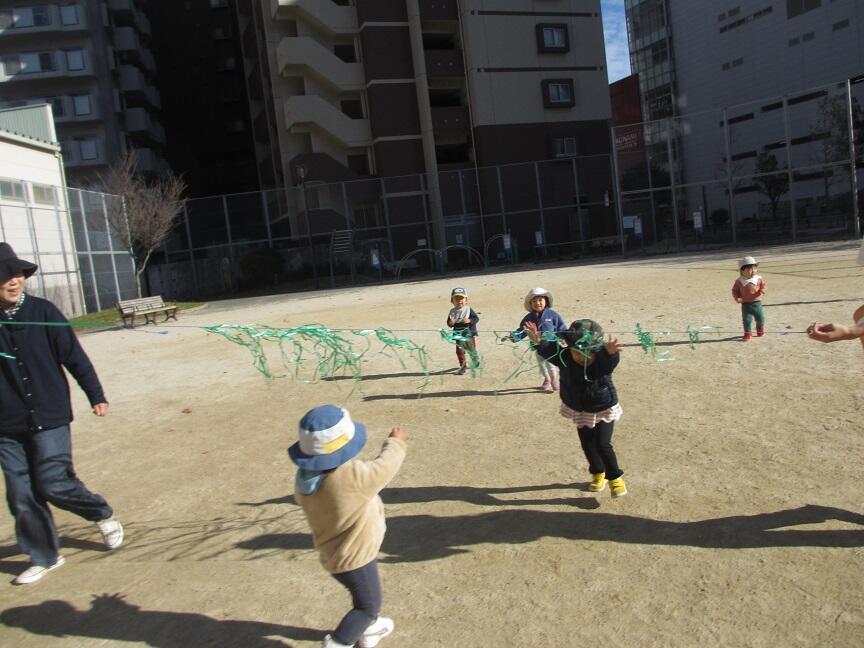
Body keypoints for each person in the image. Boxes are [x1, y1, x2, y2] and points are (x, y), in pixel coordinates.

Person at [0, 242, 123, 586]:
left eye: (17, 275)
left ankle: (101, 513)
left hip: (49, 414)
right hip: (6, 424)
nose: (13, 281)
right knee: (21, 494)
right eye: (5, 276)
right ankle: (45, 555)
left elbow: (74, 357)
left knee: (53, 480)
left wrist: (95, 394)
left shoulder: (44, 312)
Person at [289, 404, 407, 648]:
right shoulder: (352, 478)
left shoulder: (305, 481)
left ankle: (369, 630)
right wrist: (395, 442)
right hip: (355, 559)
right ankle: (339, 642)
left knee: (362, 596)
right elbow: (385, 467)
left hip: (334, 554)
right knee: (367, 606)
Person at [525, 318, 628, 498]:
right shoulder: (564, 357)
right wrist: (538, 341)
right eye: (576, 352)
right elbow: (549, 350)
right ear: (569, 348)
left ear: (596, 351)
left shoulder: (600, 362)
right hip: (581, 410)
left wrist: (611, 354)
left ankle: (615, 478)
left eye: (587, 353)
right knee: (587, 445)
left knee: (602, 444)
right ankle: (598, 473)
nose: (581, 357)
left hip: (603, 408)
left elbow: (608, 364)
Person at [513, 287, 567, 391]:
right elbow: (522, 329)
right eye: (534, 301)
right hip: (536, 345)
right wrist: (515, 336)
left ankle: (554, 380)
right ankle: (547, 380)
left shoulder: (553, 315)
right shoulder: (529, 317)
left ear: (546, 301)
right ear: (530, 304)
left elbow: (561, 328)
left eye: (540, 300)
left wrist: (565, 337)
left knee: (551, 364)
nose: (537, 303)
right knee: (541, 364)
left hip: (551, 345)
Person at [731, 255, 767, 341]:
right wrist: (737, 298)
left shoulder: (759, 278)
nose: (753, 271)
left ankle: (760, 329)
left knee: (760, 319)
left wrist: (763, 289)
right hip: (745, 304)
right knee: (747, 320)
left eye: (754, 269)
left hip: (757, 303)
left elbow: (764, 286)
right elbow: (734, 290)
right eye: (750, 269)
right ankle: (747, 333)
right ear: (742, 271)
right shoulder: (739, 281)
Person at [446, 287, 479, 375]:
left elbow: (476, 318)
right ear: (452, 301)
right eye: (456, 299)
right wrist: (451, 323)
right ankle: (463, 366)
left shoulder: (468, 309)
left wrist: (469, 321)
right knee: (459, 351)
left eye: (461, 298)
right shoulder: (452, 312)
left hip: (468, 334)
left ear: (466, 300)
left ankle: (475, 360)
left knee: (471, 349)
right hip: (458, 335)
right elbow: (449, 323)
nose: (459, 301)